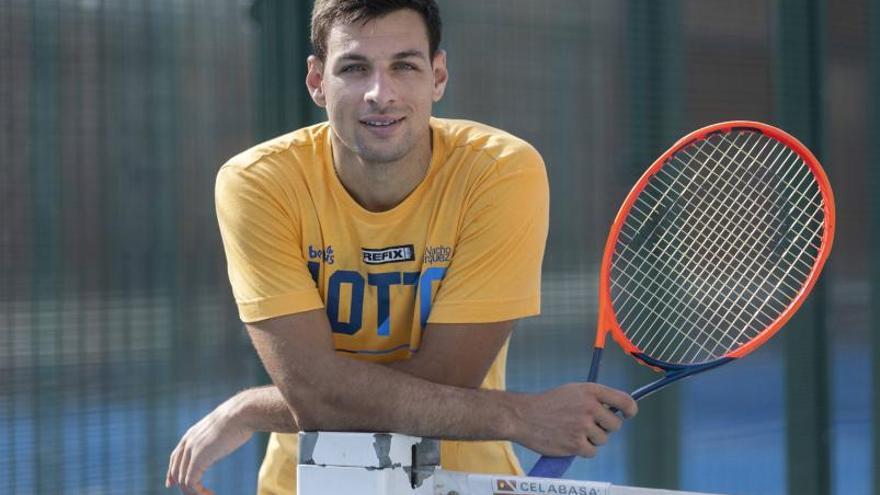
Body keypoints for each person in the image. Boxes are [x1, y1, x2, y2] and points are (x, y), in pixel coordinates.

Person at [166, 1, 637, 494]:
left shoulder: (500, 173)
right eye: (353, 68)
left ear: (437, 76)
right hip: (305, 482)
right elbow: (317, 400)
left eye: (404, 66)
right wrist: (519, 416)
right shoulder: (259, 185)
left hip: (460, 482)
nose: (380, 93)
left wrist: (252, 408)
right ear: (316, 81)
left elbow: (438, 387)